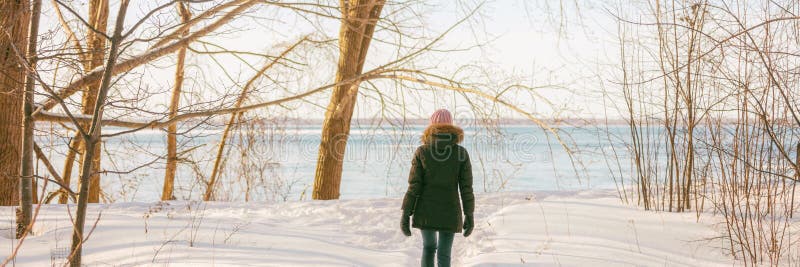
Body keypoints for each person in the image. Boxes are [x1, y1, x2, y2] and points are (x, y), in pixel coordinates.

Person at [400, 108, 475, 267]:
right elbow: (466, 188)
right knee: (444, 253)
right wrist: (469, 214)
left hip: (426, 210)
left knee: (428, 248)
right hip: (450, 210)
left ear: (431, 127)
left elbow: (414, 185)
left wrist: (406, 213)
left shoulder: (421, 152)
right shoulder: (461, 153)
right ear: (451, 126)